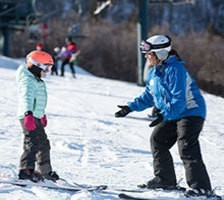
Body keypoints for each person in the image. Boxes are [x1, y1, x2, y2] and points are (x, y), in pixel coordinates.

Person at [114, 35, 218, 198]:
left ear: (161, 53)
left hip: (191, 112)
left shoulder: (175, 69)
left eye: (150, 54)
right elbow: (149, 95)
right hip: (173, 112)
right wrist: (130, 107)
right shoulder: (154, 72)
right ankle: (165, 179)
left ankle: (201, 188)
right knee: (158, 140)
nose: (147, 57)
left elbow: (179, 100)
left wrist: (164, 115)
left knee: (186, 146)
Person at [16, 50, 59, 182]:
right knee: (32, 142)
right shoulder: (28, 81)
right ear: (36, 65)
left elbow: (38, 100)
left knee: (43, 143)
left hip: (36, 116)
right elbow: (26, 98)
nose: (48, 71)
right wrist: (28, 113)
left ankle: (44, 171)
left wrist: (41, 114)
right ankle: (25, 170)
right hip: (28, 116)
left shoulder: (36, 80)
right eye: (46, 67)